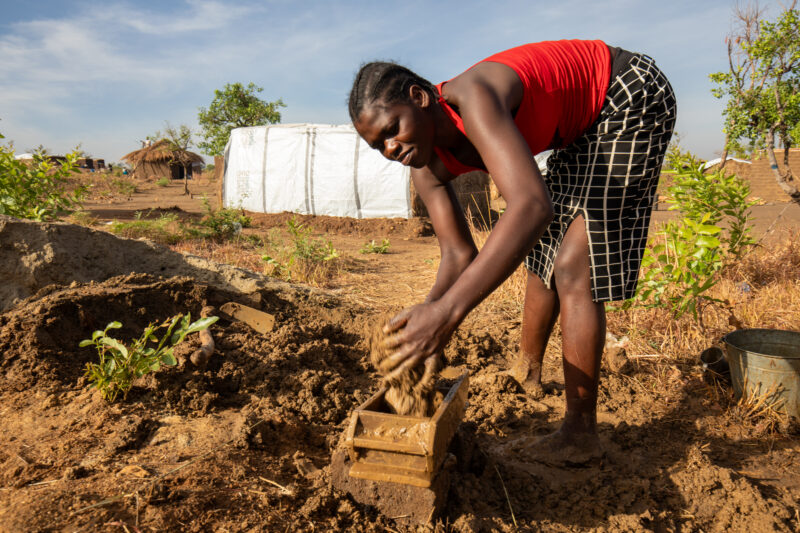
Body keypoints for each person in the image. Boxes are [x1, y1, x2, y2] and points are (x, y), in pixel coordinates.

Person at [349, 40, 676, 460]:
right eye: (379, 145)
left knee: (575, 263)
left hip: (626, 93)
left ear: (420, 97)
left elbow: (532, 205)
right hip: (579, 128)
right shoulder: (426, 169)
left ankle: (580, 436)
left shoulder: (475, 98)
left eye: (392, 129)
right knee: (541, 250)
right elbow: (458, 255)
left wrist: (447, 315)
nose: (391, 149)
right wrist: (426, 319)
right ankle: (528, 370)